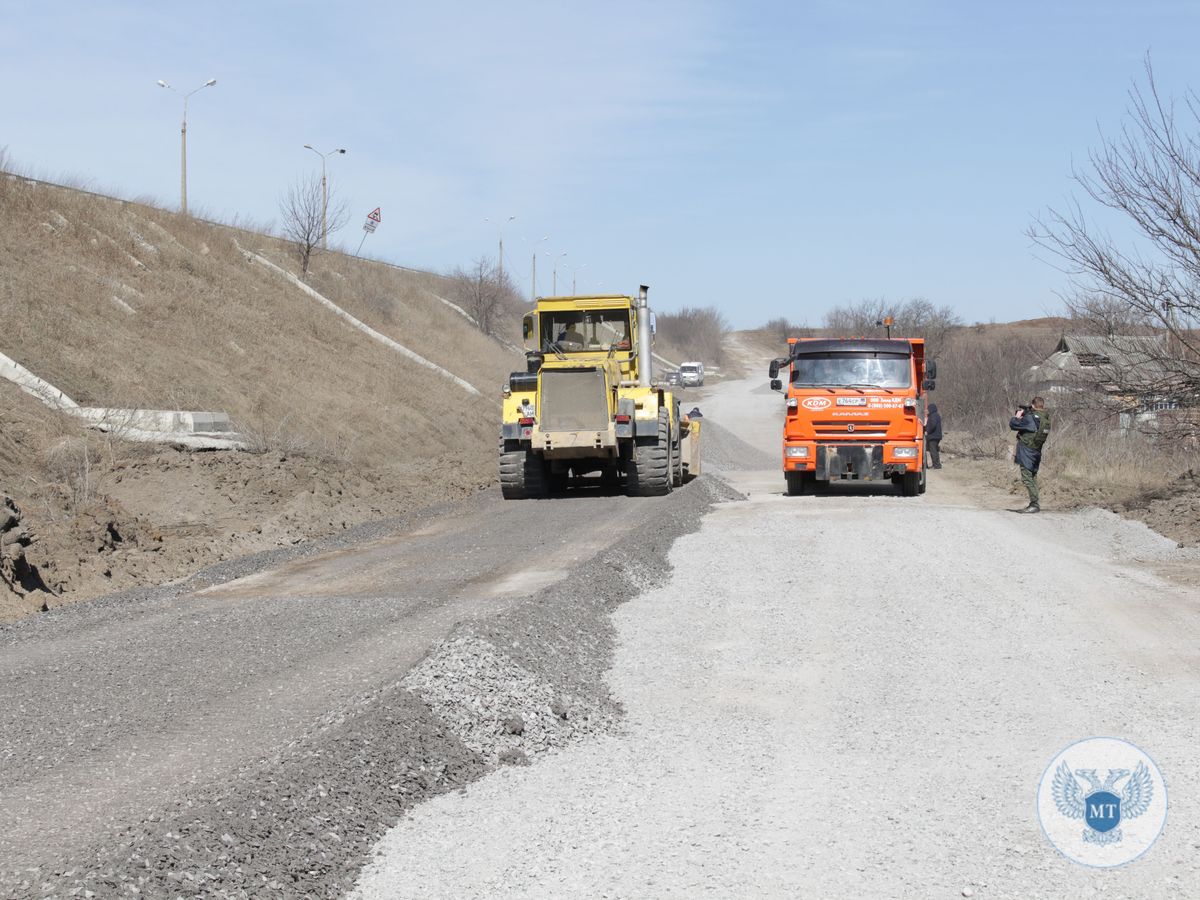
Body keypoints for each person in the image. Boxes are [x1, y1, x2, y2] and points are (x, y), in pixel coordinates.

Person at [1009, 396, 1051, 513]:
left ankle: (1034, 504)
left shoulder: (1030, 418)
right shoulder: (1045, 418)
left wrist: (1016, 417)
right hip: (1036, 451)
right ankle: (1035, 502)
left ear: (1033, 405)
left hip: (1027, 451)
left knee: (1027, 478)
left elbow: (1013, 425)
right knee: (1033, 477)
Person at [925, 403, 943, 469]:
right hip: (936, 436)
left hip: (933, 436)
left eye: (928, 409)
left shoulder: (933, 416)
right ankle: (937, 464)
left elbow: (932, 425)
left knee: (933, 451)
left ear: (931, 409)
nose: (927, 410)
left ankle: (936, 465)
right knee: (935, 450)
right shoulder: (935, 415)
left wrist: (927, 431)